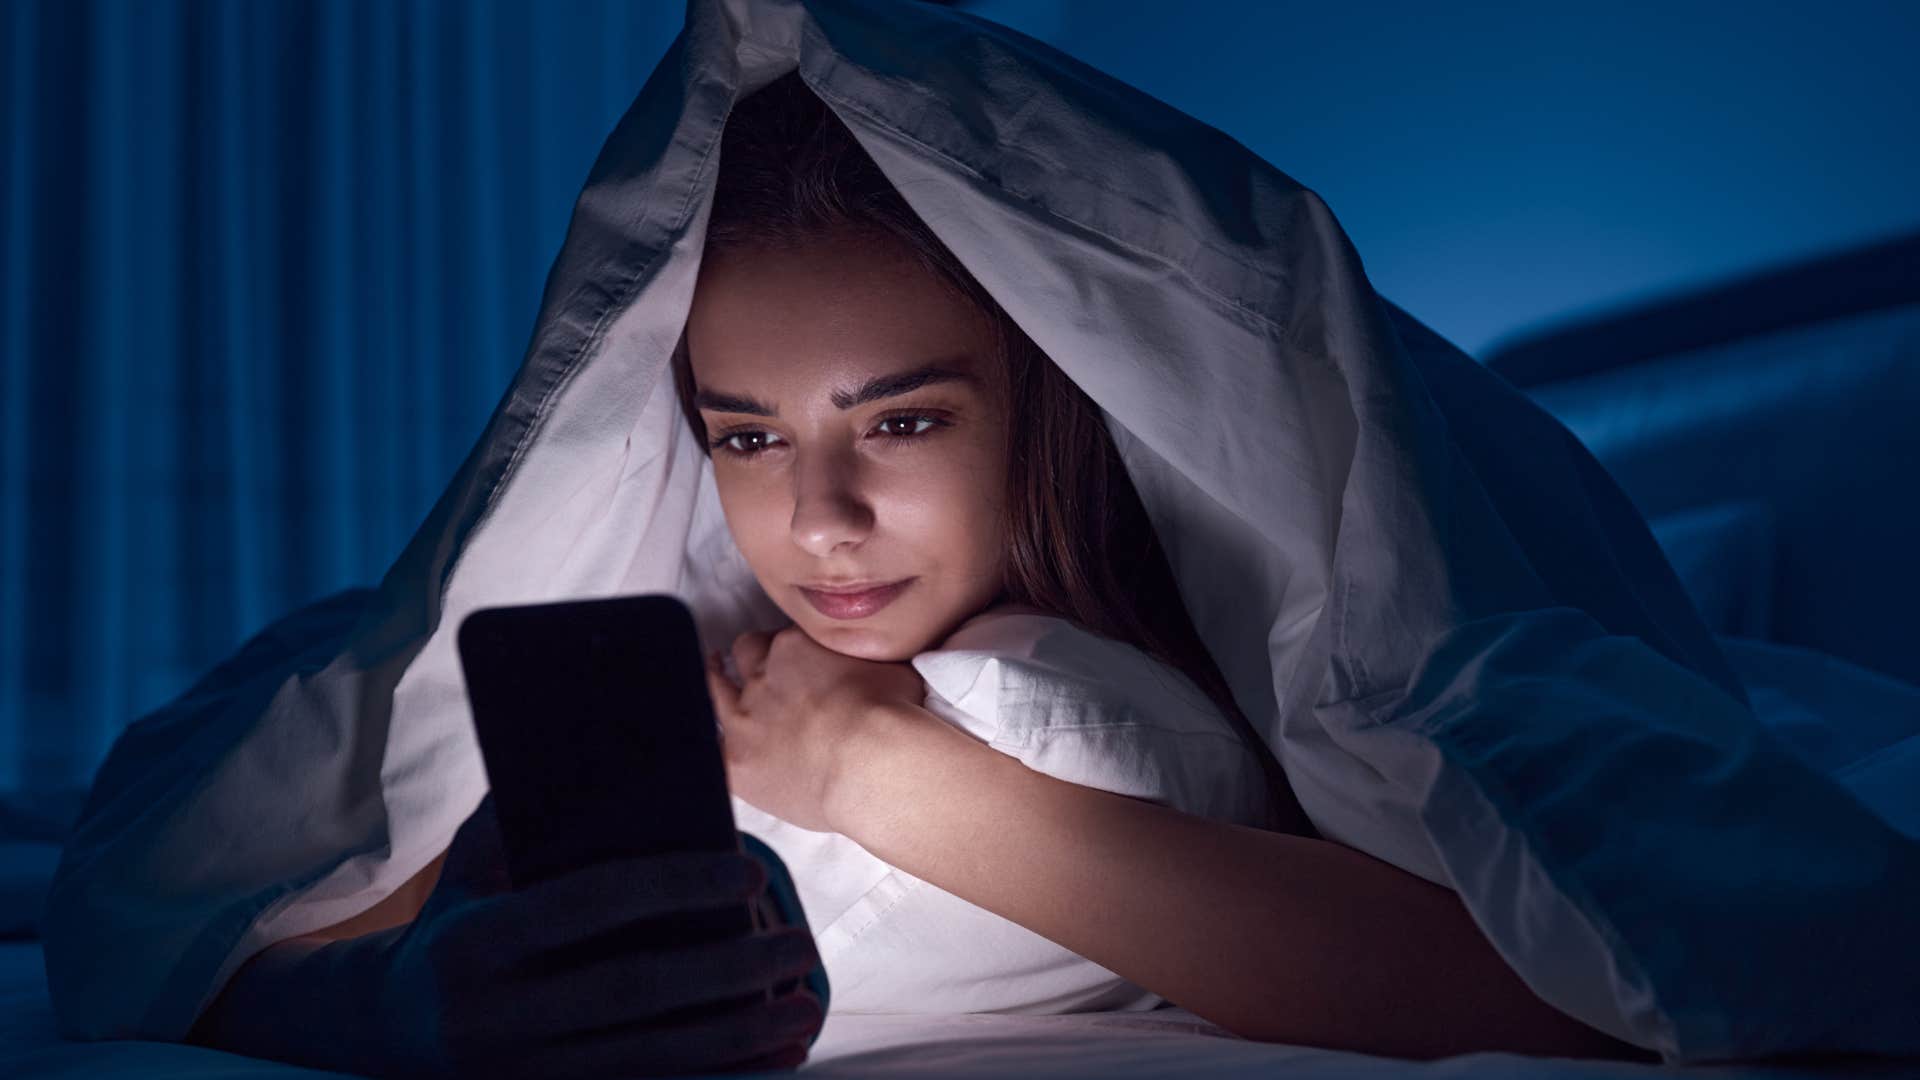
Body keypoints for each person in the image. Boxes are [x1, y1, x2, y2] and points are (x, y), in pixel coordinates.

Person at [65, 0, 1911, 1073]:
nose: (817, 519)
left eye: (906, 420)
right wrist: (403, 998)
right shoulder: (718, 616)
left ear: (1057, 399)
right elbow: (248, 914)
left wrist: (892, 776)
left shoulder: (1145, 666)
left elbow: (1630, 982)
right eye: (744, 434)